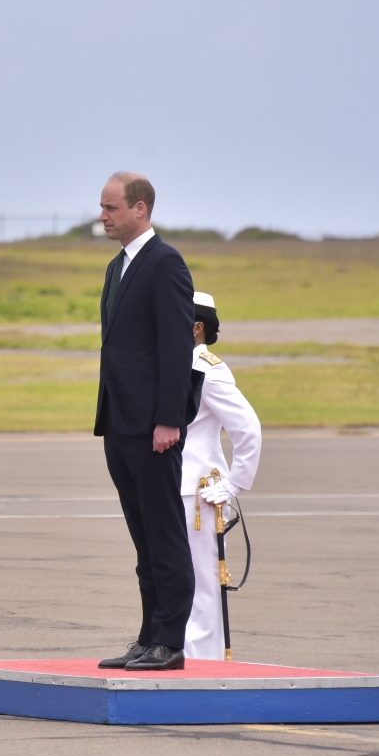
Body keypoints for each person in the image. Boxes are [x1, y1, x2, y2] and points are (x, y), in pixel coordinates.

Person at [93, 173, 196, 672]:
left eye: (112, 208)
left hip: (153, 428)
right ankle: (148, 634)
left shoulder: (165, 263)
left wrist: (168, 421)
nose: (104, 216)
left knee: (164, 533)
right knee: (142, 537)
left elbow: (177, 348)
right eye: (102, 207)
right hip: (120, 422)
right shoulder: (118, 267)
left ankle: (170, 642)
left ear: (140, 209)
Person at [182, 291, 261, 660]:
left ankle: (203, 663)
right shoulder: (172, 364)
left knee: (203, 582)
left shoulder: (208, 369)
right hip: (171, 486)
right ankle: (176, 654)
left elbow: (247, 428)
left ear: (197, 327)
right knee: (175, 581)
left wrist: (233, 484)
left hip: (200, 492)